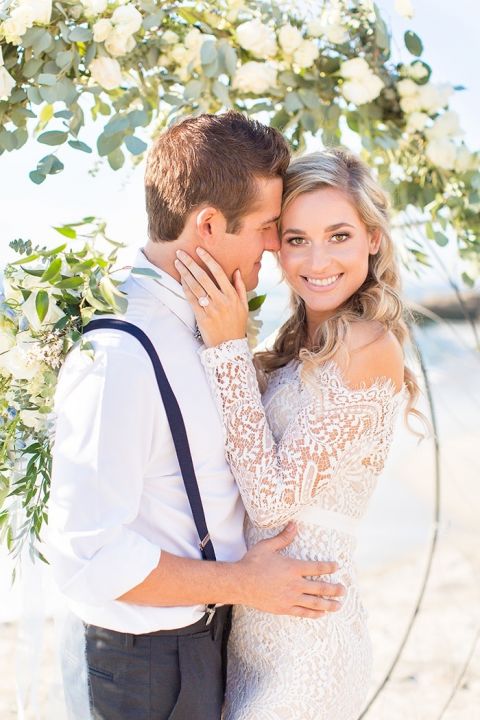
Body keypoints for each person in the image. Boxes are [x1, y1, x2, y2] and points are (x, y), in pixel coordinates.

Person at [46, 113, 345, 720]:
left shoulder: (213, 325)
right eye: (266, 227)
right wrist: (244, 584)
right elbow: (88, 556)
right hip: (142, 668)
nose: (273, 245)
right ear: (208, 224)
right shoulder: (120, 354)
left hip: (210, 643)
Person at [176, 147, 423, 720]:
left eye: (339, 236)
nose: (318, 259)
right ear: (277, 246)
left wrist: (229, 348)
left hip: (311, 642)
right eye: (295, 239)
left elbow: (271, 501)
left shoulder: (369, 346)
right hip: (252, 636)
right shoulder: (290, 353)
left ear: (372, 240)